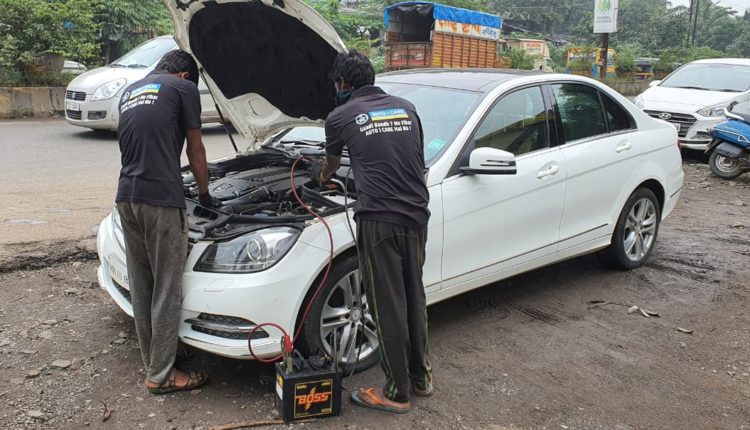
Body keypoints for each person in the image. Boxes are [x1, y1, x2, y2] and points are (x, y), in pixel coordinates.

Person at [312, 50, 432, 414]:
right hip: (417, 213)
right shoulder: (406, 108)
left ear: (343, 84)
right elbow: (410, 157)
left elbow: (331, 164)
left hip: (379, 218)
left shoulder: (340, 115)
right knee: (413, 295)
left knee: (386, 304)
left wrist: (319, 181)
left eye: (337, 84)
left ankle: (396, 393)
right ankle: (421, 378)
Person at [115, 50, 212, 395]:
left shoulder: (131, 90)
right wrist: (204, 195)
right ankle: (161, 375)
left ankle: (154, 361)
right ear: (186, 75)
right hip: (161, 200)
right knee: (168, 287)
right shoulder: (182, 88)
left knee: (143, 286)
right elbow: (195, 149)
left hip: (126, 196)